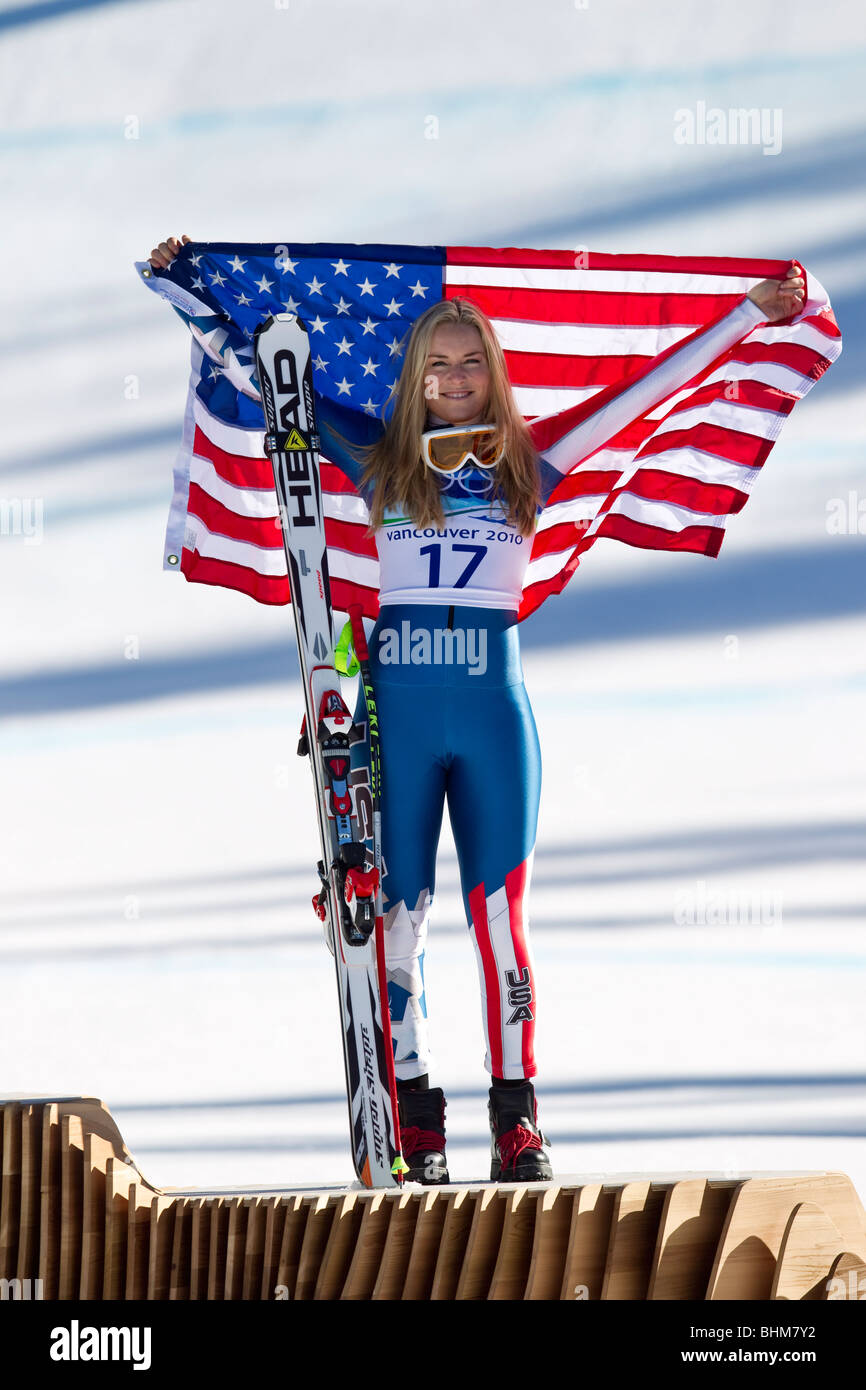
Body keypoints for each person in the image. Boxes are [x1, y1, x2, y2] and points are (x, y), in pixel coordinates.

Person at [148, 236, 805, 1184]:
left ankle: (516, 1120)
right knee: (394, 919)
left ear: (491, 376)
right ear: (415, 379)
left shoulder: (534, 463)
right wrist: (190, 286)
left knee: (499, 923)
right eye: (437, 364)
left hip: (494, 712)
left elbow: (648, 393)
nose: (454, 378)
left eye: (470, 363)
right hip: (401, 713)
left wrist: (749, 314)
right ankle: (414, 1115)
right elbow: (266, 377)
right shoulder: (379, 461)